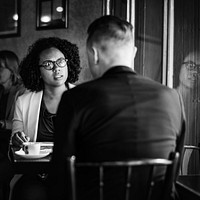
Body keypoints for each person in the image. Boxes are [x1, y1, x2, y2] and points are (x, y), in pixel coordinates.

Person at [48, 16, 186, 200]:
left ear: (94, 53)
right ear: (134, 52)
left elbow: (61, 173)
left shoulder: (75, 98)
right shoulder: (171, 97)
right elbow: (174, 169)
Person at [10, 37, 81, 200]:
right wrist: (17, 139)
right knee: (29, 194)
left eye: (61, 61)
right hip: (35, 174)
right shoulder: (23, 101)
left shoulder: (84, 98)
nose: (57, 68)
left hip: (74, 171)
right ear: (38, 71)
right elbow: (15, 140)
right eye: (48, 64)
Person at [0, 50, 25, 200]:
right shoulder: (1, 90)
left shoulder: (21, 92)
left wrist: (2, 123)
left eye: (0, 68)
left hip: (11, 145)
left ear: (12, 70)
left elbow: (20, 123)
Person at [176, 50, 200, 174]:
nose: (195, 72)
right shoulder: (171, 97)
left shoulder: (197, 104)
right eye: (190, 65)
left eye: (199, 68)